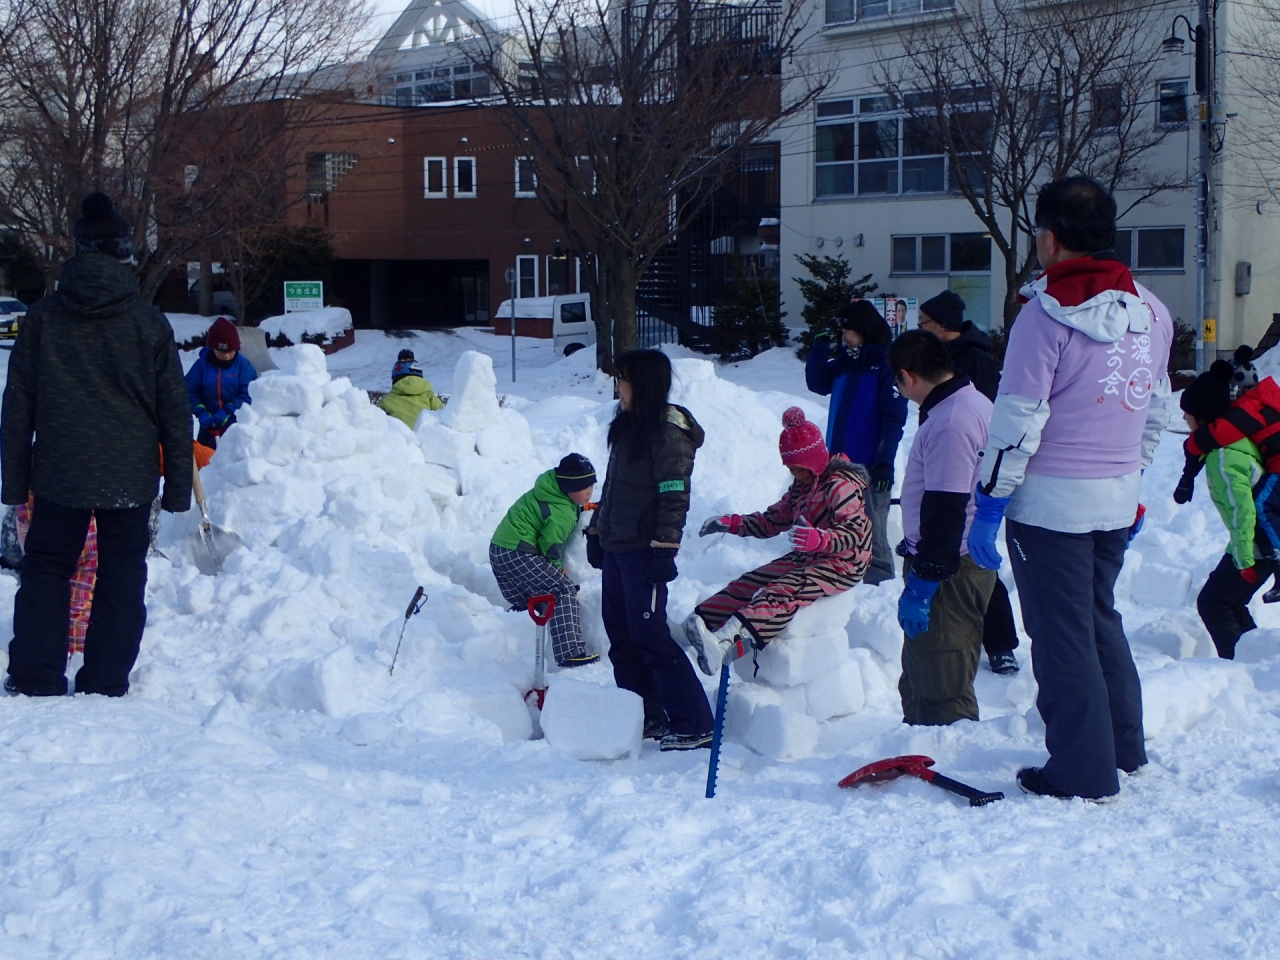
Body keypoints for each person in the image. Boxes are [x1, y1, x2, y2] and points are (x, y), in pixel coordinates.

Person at [966, 176, 1173, 801]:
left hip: (1050, 502)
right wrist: (1133, 481)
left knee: (1061, 635)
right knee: (1097, 618)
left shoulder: (1045, 314)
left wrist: (989, 501)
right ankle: (1122, 745)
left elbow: (1017, 417)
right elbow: (1156, 406)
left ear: (1049, 239)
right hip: (1115, 494)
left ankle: (1082, 770)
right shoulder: (1153, 309)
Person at [2, 191, 192, 697]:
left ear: (80, 250)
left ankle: (36, 675)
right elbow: (175, 411)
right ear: (124, 253)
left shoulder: (43, 318)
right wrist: (176, 489)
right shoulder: (148, 322)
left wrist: (14, 483)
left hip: (59, 469)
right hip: (128, 474)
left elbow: (17, 405)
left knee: (46, 568)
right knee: (122, 572)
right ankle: (106, 679)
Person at [683, 407, 872, 674]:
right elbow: (774, 520)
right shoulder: (802, 486)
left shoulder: (841, 486)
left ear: (814, 461)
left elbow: (855, 534)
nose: (794, 474)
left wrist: (820, 540)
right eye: (790, 468)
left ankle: (726, 642)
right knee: (750, 582)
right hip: (811, 555)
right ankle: (698, 624)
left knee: (782, 590)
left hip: (844, 563)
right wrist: (733, 524)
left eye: (799, 468)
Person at [584, 349, 711, 750]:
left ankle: (695, 722)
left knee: (649, 634)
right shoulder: (628, 426)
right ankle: (645, 716)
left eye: (622, 379)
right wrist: (596, 532)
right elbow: (613, 487)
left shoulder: (668, 433)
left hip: (644, 550)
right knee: (620, 633)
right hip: (618, 547)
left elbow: (675, 496)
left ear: (644, 383)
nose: (617, 386)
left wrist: (664, 549)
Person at [888, 331, 995, 725]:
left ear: (908, 376)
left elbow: (946, 508)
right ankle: (918, 749)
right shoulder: (967, 401)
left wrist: (925, 580)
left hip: (948, 567)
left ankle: (946, 764)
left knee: (942, 683)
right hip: (948, 560)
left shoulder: (952, 421)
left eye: (896, 384)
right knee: (922, 673)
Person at [917, 289, 1021, 676]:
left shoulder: (975, 360)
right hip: (941, 464)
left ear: (943, 325)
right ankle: (957, 634)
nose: (921, 330)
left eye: (925, 324)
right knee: (950, 558)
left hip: (973, 472)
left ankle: (1001, 643)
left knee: (977, 562)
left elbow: (988, 417)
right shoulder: (938, 357)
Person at [805, 300, 908, 586]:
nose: (844, 337)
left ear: (864, 330)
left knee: (872, 533)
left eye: (848, 331)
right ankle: (840, 580)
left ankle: (879, 587)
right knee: (837, 529)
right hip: (837, 464)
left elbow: (894, 417)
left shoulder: (886, 364)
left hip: (869, 467)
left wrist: (884, 462)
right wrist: (819, 348)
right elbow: (818, 383)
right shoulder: (847, 361)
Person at [1180, 362, 1277, 659]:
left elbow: (1243, 510)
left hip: (1259, 545)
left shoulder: (1223, 458)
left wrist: (1244, 559)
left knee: (1214, 603)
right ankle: (1257, 661)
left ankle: (1237, 669)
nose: (1183, 417)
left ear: (1202, 416)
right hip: (1263, 541)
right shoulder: (1235, 444)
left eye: (1188, 413)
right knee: (1230, 603)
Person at [490, 453, 600, 668]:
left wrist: (581, 507)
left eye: (592, 486)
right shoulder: (562, 514)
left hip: (499, 550)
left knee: (528, 602)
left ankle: (515, 650)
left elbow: (557, 509)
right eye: (584, 488)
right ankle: (570, 652)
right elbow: (550, 547)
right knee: (563, 590)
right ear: (568, 487)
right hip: (519, 553)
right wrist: (559, 572)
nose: (589, 492)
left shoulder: (549, 490)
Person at [185, 316, 257, 450]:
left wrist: (229, 410)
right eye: (221, 351)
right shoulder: (202, 365)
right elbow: (189, 391)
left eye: (229, 351)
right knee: (207, 465)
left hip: (235, 427)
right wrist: (201, 411)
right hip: (208, 428)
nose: (226, 356)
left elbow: (250, 393)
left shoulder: (243, 366)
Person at [378, 350, 445, 428]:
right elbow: (444, 419)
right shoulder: (430, 398)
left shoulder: (386, 402)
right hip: (426, 438)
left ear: (394, 379)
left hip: (400, 439)